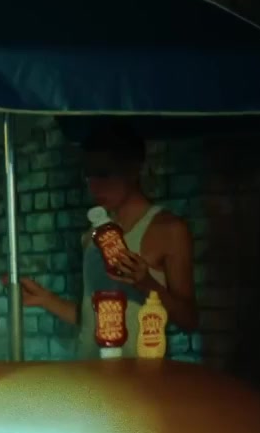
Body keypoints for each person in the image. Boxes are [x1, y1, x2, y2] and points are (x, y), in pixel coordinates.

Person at [20, 121, 197, 357]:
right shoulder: (93, 236)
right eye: (89, 176)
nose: (95, 186)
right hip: (89, 369)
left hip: (139, 372)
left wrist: (147, 284)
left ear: (133, 170)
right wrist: (46, 299)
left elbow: (188, 319)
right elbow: (91, 318)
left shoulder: (168, 229)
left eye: (104, 174)